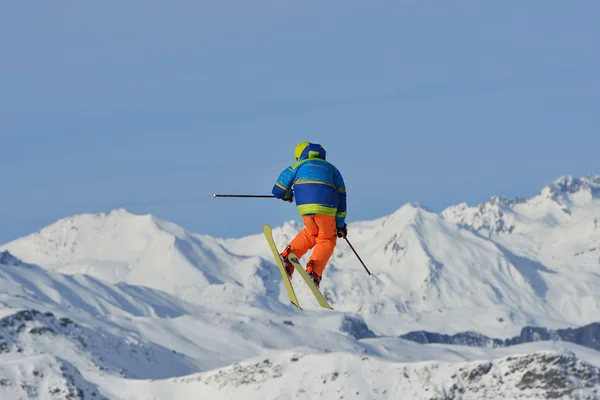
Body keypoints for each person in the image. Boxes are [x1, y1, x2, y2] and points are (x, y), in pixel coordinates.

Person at [271, 142, 347, 288]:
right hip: (327, 208)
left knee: (311, 233)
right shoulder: (332, 169)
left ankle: (287, 257)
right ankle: (314, 271)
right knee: (326, 239)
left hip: (305, 208)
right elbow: (342, 197)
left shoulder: (297, 166)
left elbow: (278, 189)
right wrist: (340, 225)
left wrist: (287, 195)